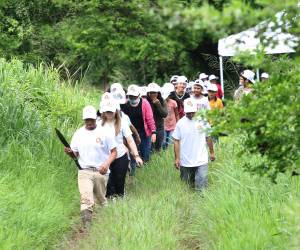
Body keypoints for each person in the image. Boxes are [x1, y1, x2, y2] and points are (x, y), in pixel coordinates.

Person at [64, 105, 117, 228]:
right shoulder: (78, 134)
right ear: (84, 120)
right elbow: (75, 155)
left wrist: (106, 164)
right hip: (84, 171)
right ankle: (87, 225)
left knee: (101, 200)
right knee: (86, 198)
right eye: (86, 120)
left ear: (95, 119)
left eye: (91, 120)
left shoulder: (105, 132)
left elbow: (114, 152)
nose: (89, 122)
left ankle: (107, 222)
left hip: (101, 172)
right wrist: (70, 153)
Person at [99, 98, 143, 198]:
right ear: (103, 111)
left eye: (111, 111)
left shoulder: (122, 123)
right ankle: (109, 205)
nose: (109, 113)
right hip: (105, 158)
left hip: (120, 156)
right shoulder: (98, 124)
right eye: (107, 111)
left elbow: (130, 140)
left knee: (119, 183)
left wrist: (136, 156)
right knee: (109, 184)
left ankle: (120, 203)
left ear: (115, 110)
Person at [172, 98, 215, 191]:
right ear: (184, 111)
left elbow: (208, 137)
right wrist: (177, 158)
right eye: (188, 113)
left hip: (201, 159)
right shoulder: (180, 124)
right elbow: (176, 140)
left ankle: (202, 202)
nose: (191, 115)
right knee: (187, 185)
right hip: (185, 160)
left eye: (193, 112)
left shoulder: (203, 121)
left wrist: (211, 152)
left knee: (202, 185)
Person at [121, 84, 156, 162]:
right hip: (129, 132)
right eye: (131, 96)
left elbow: (150, 119)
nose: (133, 98)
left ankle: (145, 169)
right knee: (132, 153)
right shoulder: (125, 104)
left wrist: (153, 132)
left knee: (145, 153)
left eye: (134, 96)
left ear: (139, 95)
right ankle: (134, 171)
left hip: (144, 132)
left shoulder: (145, 103)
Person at [147, 83, 168, 151]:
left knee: (158, 148)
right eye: (151, 92)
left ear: (158, 93)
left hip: (159, 128)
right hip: (149, 128)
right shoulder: (146, 101)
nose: (153, 94)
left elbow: (165, 114)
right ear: (148, 93)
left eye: (154, 92)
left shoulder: (162, 101)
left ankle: (157, 161)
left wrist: (158, 104)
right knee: (150, 148)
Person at [161, 83, 179, 149]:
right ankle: (163, 155)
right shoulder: (160, 103)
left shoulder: (173, 102)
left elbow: (177, 114)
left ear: (169, 95)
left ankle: (169, 155)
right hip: (163, 126)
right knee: (163, 143)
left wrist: (178, 124)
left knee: (170, 143)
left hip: (173, 126)